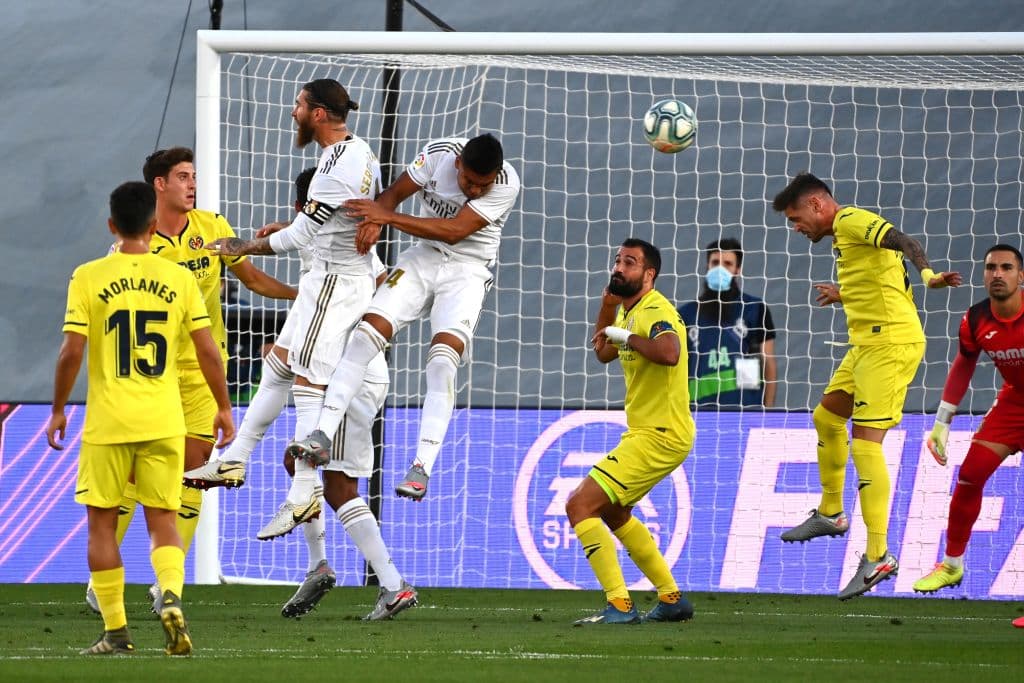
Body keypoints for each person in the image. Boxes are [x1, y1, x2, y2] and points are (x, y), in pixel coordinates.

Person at [187, 168, 417, 620]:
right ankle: (318, 563)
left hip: (353, 376)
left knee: (336, 484)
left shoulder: (341, 250)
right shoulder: (324, 241)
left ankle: (392, 585)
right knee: (298, 458)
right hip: (341, 370)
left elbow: (368, 279)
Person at [86, 147, 296, 613]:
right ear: (158, 185)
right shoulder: (132, 244)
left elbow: (253, 277)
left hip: (203, 372)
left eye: (194, 176)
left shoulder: (213, 229)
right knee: (135, 476)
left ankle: (168, 582)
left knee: (194, 473)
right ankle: (104, 578)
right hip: (150, 377)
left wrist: (300, 295)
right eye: (183, 176)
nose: (192, 184)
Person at [47, 181, 235, 655]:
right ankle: (170, 595)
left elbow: (72, 351)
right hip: (165, 418)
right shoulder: (179, 279)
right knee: (164, 520)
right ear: (154, 227)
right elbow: (207, 349)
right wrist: (225, 407)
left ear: (112, 226)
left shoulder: (87, 276)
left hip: (109, 422)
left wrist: (57, 410)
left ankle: (116, 632)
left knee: (102, 525)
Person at [286, 133, 521, 503]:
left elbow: (456, 231)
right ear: (458, 164)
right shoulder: (438, 153)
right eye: (469, 182)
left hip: (468, 271)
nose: (476, 190)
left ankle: (420, 467)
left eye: (483, 185)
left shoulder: (507, 181)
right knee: (364, 334)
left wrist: (387, 217)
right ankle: (321, 435)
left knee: (443, 362)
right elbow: (392, 193)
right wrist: (374, 221)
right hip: (422, 257)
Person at [204, 79, 382, 540]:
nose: (293, 112)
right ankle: (235, 459)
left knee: (307, 381)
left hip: (333, 284)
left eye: (299, 105)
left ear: (318, 113)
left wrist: (243, 245)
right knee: (278, 367)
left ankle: (304, 492)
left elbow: (301, 237)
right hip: (326, 281)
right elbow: (329, 220)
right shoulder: (355, 152)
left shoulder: (332, 169)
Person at [771, 172, 961, 600]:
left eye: (797, 217)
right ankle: (832, 512)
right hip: (865, 343)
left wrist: (929, 274)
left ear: (818, 205)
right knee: (826, 419)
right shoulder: (845, 238)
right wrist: (847, 294)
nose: (796, 227)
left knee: (866, 445)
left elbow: (906, 243)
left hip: (889, 345)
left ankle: (878, 555)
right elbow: (886, 276)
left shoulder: (853, 220)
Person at [567, 238, 695, 625]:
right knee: (614, 510)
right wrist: (608, 312)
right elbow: (603, 353)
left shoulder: (656, 310)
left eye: (630, 263)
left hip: (660, 433)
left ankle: (620, 605)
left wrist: (627, 336)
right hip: (649, 430)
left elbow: (669, 352)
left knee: (579, 505)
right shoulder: (628, 311)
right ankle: (671, 599)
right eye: (618, 260)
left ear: (648, 274)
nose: (619, 267)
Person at [912, 244, 1024, 595]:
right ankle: (951, 565)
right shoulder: (976, 319)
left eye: (1007, 268)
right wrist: (942, 424)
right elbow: (964, 365)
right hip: (1014, 402)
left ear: (1021, 276)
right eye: (991, 268)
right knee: (970, 475)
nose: (998, 274)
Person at [677, 237, 777, 408]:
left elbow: (768, 362)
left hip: (745, 410)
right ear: (707, 266)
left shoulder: (755, 308)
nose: (720, 269)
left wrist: (767, 412)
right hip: (696, 411)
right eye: (715, 262)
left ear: (738, 269)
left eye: (728, 264)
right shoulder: (685, 314)